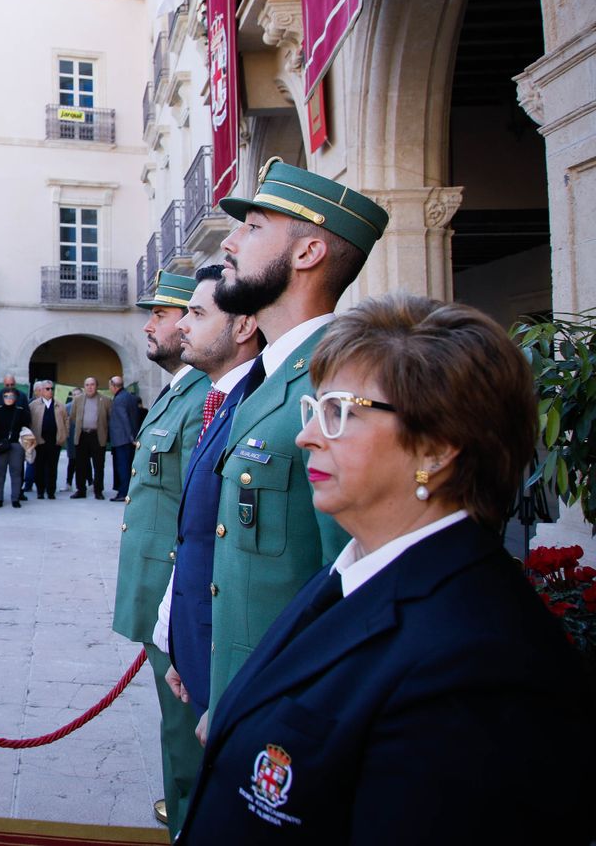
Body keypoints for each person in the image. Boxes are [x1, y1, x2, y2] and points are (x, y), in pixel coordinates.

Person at [180, 295, 594, 843]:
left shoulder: (476, 663)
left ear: (437, 448)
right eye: (313, 410)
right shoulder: (356, 570)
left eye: (338, 412)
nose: (306, 436)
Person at [203, 157, 388, 713]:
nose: (230, 244)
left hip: (288, 706)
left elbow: (350, 585)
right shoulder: (271, 375)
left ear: (308, 253)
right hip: (241, 686)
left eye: (254, 228)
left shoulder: (340, 382)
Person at [105, 271, 207, 833]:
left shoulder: (201, 397)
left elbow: (195, 509)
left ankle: (190, 823)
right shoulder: (179, 391)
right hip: (161, 589)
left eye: (164, 314)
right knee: (175, 724)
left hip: (177, 592)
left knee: (183, 726)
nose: (151, 324)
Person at [160, 266, 266, 734]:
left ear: (243, 327)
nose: (181, 324)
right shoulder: (222, 400)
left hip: (243, 670)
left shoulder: (253, 402)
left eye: (196, 313)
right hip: (203, 644)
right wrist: (183, 642)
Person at [0, 387, 29, 508]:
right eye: (6, 396)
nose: (9, 399)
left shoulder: (21, 411)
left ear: (15, 398)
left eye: (11, 396)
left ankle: (15, 499)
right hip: (0, 446)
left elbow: (26, 428)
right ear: (2, 397)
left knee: (16, 473)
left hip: (16, 445)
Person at [68, 377, 107, 498]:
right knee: (80, 465)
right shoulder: (78, 400)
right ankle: (81, 490)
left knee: (98, 465)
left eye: (92, 384)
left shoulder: (105, 400)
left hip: (97, 435)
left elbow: (109, 417)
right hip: (82, 435)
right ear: (84, 387)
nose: (90, 387)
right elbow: (73, 416)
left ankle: (98, 491)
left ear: (96, 386)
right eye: (87, 385)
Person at [27, 381, 63, 500]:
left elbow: (66, 421)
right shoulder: (33, 405)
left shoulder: (59, 405)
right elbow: (29, 421)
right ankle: (40, 491)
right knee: (39, 467)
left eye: (51, 388)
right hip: (39, 441)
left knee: (52, 467)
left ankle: (51, 491)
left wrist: (63, 435)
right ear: (41, 391)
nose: (50, 391)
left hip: (54, 441)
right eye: (47, 389)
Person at [107, 376, 139, 502]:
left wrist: (131, 437)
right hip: (127, 439)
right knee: (127, 466)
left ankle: (123, 492)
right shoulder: (129, 396)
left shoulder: (119, 399)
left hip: (122, 439)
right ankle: (125, 491)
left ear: (114, 386)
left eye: (110, 385)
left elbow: (124, 419)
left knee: (123, 467)